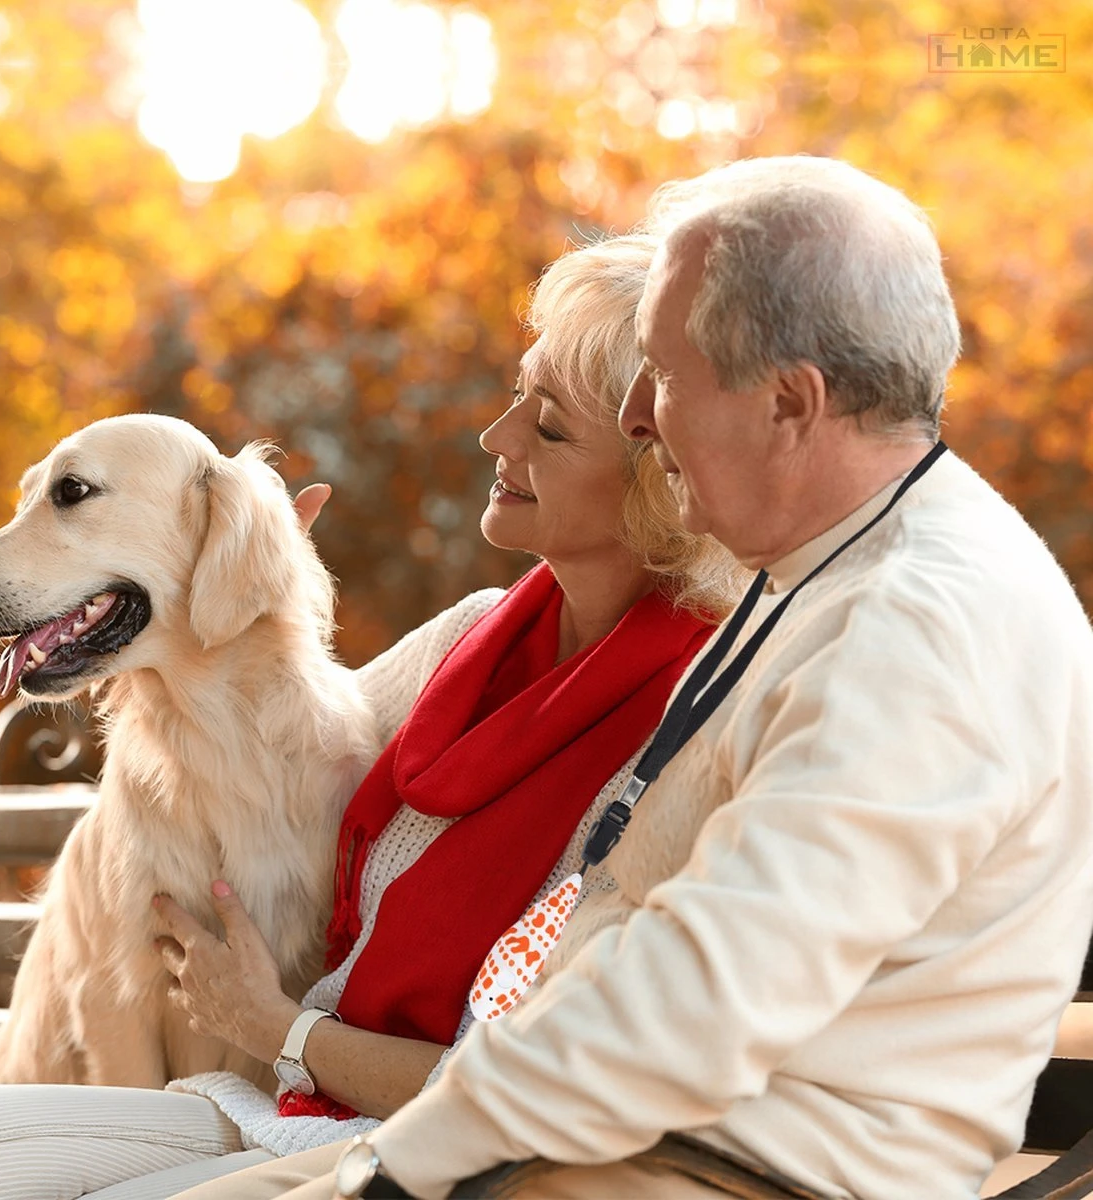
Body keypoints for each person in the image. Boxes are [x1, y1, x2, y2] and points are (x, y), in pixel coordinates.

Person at [162, 156, 1093, 1200]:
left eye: (663, 373)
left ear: (789, 403)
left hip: (705, 1174)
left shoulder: (912, 633)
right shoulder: (833, 574)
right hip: (598, 1146)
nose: (641, 417)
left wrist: (386, 1172)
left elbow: (690, 1006)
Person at [0, 231, 747, 1199]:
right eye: (517, 397)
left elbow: (559, 1083)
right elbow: (277, 735)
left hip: (413, 1135)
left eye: (546, 427)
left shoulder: (692, 723)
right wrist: (236, 560)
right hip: (280, 1102)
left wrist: (281, 1029)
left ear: (656, 479)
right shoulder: (473, 637)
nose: (495, 437)